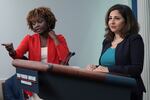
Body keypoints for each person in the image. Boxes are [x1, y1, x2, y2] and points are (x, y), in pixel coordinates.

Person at [2, 7, 69, 100]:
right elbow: (17, 55)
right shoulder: (29, 39)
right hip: (36, 80)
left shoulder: (60, 38)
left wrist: (54, 38)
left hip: (53, 80)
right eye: (33, 23)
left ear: (48, 22)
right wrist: (11, 50)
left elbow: (65, 58)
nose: (36, 25)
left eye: (39, 22)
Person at [86, 4, 146, 100]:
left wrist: (108, 69)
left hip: (128, 90)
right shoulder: (107, 41)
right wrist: (95, 67)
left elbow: (136, 69)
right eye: (110, 18)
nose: (112, 22)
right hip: (106, 88)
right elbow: (107, 65)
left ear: (127, 21)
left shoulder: (134, 39)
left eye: (117, 18)